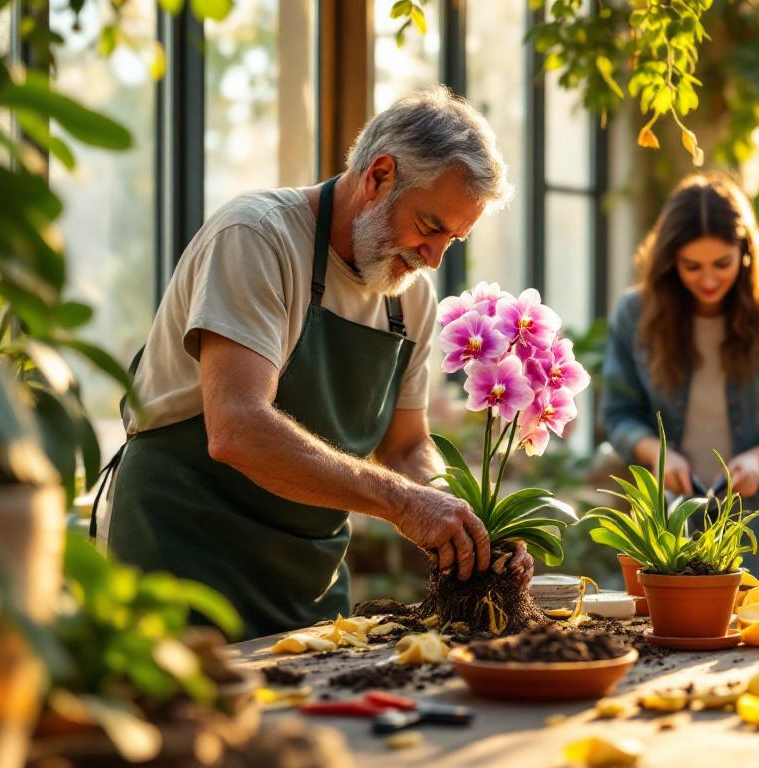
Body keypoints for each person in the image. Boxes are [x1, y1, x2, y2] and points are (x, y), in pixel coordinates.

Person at [98, 88, 533, 637]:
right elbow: (236, 427)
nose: (435, 256)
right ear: (378, 176)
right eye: (429, 226)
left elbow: (403, 446)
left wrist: (458, 519)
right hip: (184, 558)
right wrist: (402, 503)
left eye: (454, 237)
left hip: (307, 583)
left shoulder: (410, 296)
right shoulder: (258, 238)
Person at [601, 172, 759, 581]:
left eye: (722, 264)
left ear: (745, 252)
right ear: (670, 261)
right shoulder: (635, 315)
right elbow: (618, 415)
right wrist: (659, 455)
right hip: (668, 532)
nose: (708, 280)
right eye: (692, 266)